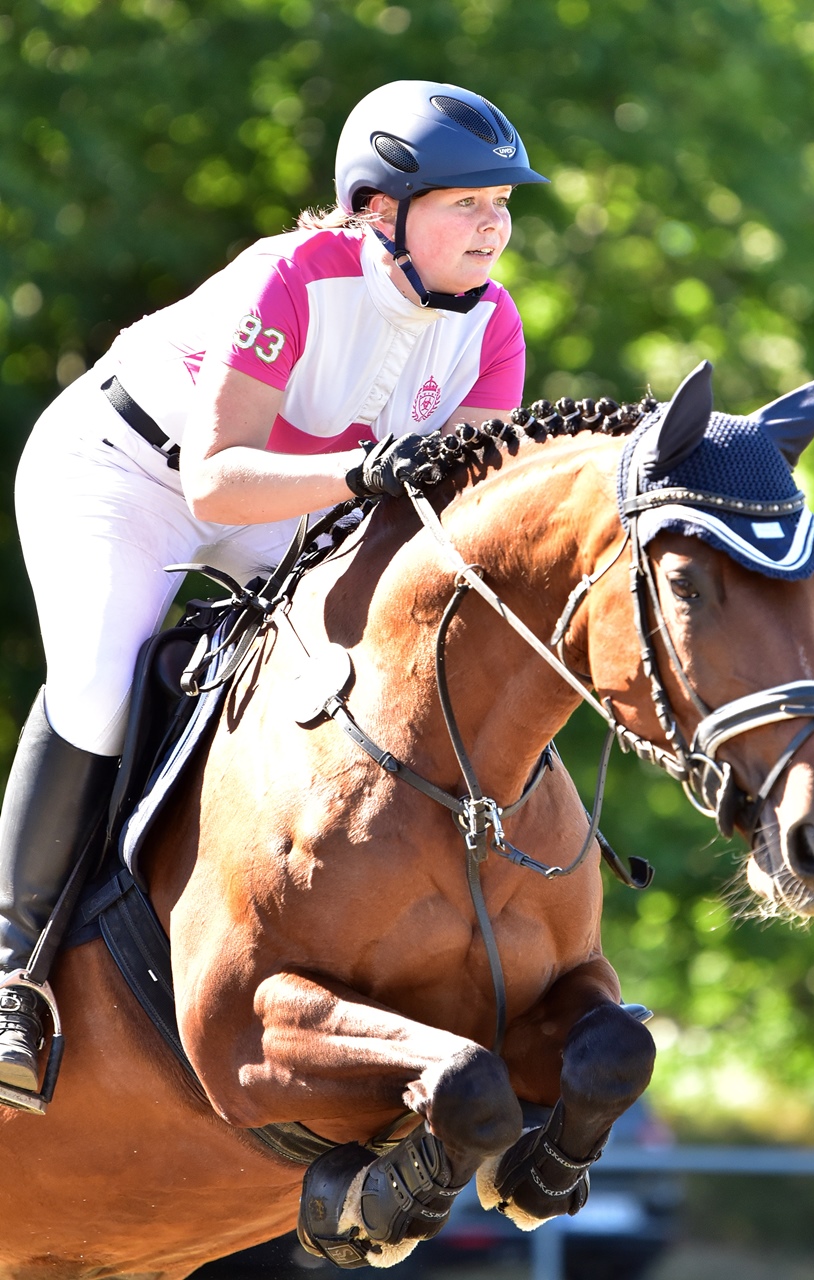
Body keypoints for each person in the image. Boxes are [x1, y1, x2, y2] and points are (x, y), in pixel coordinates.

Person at [0, 79, 548, 1100]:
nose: (494, 225)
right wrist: (366, 469)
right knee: (100, 691)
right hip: (127, 469)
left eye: (503, 204)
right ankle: (12, 970)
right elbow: (213, 482)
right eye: (467, 202)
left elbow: (441, 523)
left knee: (362, 677)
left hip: (294, 505)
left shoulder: (495, 326)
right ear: (379, 209)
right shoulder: (294, 274)